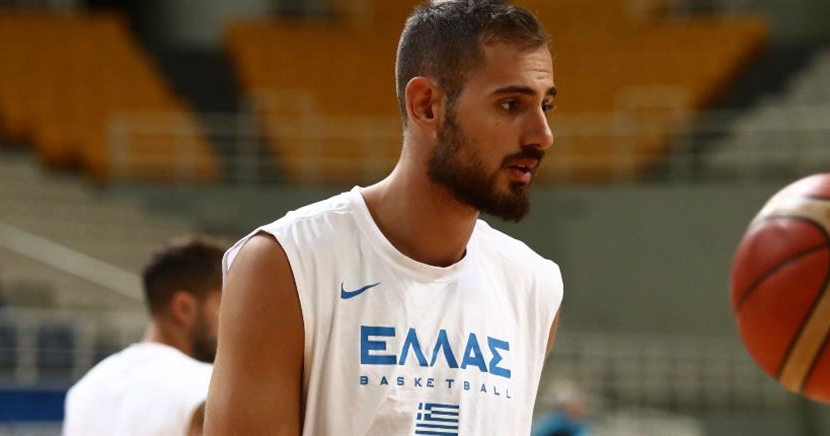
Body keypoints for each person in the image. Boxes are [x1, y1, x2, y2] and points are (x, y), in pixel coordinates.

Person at [205, 0, 562, 434]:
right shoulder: (285, 264)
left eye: (546, 106)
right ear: (426, 105)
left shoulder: (533, 284)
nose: (543, 135)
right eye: (510, 105)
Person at [63, 237, 226, 436]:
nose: (231, 318)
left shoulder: (84, 389)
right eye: (222, 304)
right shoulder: (206, 385)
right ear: (184, 308)